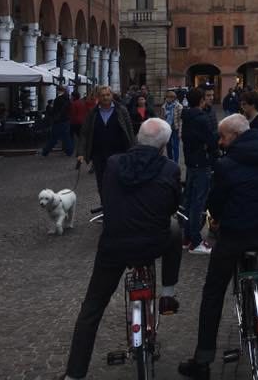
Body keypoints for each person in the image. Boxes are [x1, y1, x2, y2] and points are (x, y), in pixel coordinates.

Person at [63, 118, 182, 380]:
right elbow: (173, 205)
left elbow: (107, 197)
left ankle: (74, 374)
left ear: (138, 138)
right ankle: (168, 292)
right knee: (174, 229)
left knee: (92, 307)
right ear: (164, 145)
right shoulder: (170, 168)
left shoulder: (114, 164)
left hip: (114, 246)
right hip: (152, 242)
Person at [177, 113, 258, 379]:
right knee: (252, 244)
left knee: (213, 291)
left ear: (235, 136)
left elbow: (216, 203)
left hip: (236, 233)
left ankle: (202, 360)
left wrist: (215, 220)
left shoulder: (227, 164)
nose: (220, 142)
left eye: (223, 137)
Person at [77, 86, 135, 197]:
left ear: (112, 95)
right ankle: (105, 204)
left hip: (119, 153)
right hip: (99, 154)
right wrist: (81, 152)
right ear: (98, 97)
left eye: (108, 95)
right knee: (102, 182)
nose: (105, 97)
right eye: (102, 95)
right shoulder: (92, 113)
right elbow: (84, 133)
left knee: (119, 180)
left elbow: (129, 131)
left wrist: (133, 149)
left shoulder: (121, 110)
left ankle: (118, 203)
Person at [181, 87, 219, 254]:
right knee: (198, 202)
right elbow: (211, 141)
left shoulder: (187, 116)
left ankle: (187, 237)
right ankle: (196, 241)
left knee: (189, 200)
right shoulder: (201, 118)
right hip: (201, 162)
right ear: (201, 100)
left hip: (190, 162)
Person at [43, 86, 73, 157]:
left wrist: (50, 109)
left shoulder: (57, 99)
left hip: (58, 121)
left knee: (54, 137)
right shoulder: (67, 99)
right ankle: (69, 151)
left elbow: (54, 111)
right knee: (66, 137)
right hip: (66, 120)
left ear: (58, 90)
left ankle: (45, 151)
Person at [163, 89, 184, 165]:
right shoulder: (164, 106)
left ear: (174, 98)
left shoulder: (179, 106)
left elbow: (180, 120)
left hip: (175, 128)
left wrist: (180, 132)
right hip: (167, 129)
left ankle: (176, 163)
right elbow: (163, 118)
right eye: (167, 97)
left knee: (175, 146)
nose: (168, 99)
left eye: (170, 97)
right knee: (168, 146)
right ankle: (170, 161)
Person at [69, 90, 91, 156]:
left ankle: (72, 149)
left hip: (75, 122)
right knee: (81, 136)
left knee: (71, 136)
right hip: (83, 121)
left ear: (74, 96)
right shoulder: (83, 102)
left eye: (71, 96)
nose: (71, 97)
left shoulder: (73, 103)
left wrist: (70, 121)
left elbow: (72, 113)